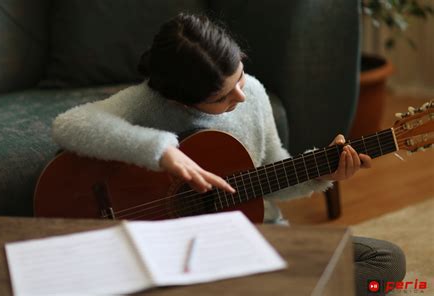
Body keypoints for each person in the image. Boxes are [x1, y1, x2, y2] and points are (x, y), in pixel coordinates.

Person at [52, 13, 405, 296]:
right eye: (222, 98)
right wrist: (163, 153)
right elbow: (69, 124)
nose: (241, 96)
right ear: (178, 99)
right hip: (178, 251)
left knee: (386, 262)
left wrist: (321, 173)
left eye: (240, 75)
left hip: (258, 235)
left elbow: (271, 170)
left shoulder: (253, 92)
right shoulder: (148, 103)